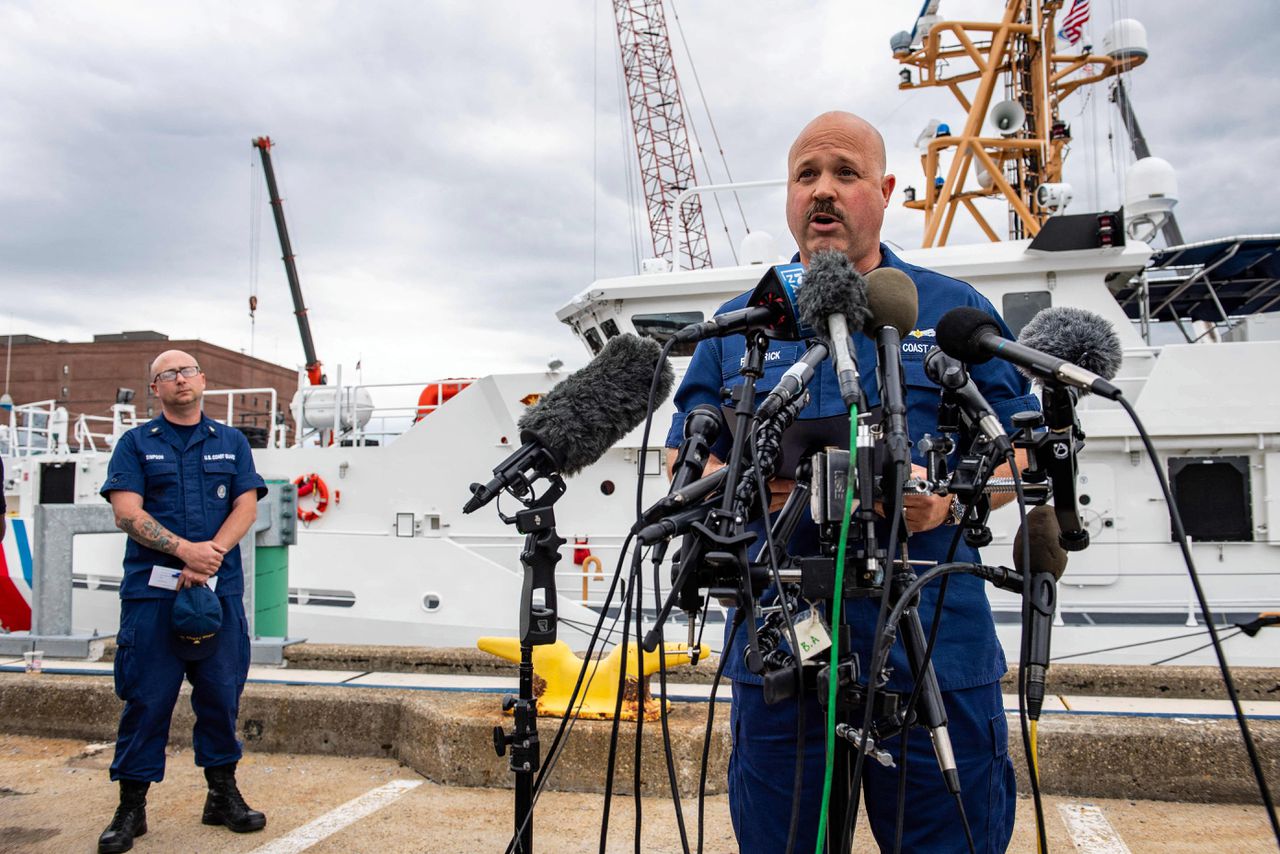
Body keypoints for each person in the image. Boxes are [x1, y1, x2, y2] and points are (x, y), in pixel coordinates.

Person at [665, 112, 1039, 853]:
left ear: (885, 190)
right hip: (783, 641)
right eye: (807, 175)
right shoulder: (745, 326)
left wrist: (952, 501)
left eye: (844, 173)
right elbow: (688, 456)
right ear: (788, 196)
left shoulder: (951, 312)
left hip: (932, 636)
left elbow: (1022, 451)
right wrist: (738, 487)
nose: (823, 192)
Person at [97, 350, 268, 854]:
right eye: (167, 374)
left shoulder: (232, 442)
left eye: (187, 370)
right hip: (153, 593)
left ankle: (222, 797)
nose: (179, 379)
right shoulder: (134, 444)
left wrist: (209, 555)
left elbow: (246, 504)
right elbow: (126, 512)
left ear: (203, 380)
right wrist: (183, 551)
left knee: (220, 695)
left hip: (217, 589)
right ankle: (131, 809)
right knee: (146, 699)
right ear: (156, 388)